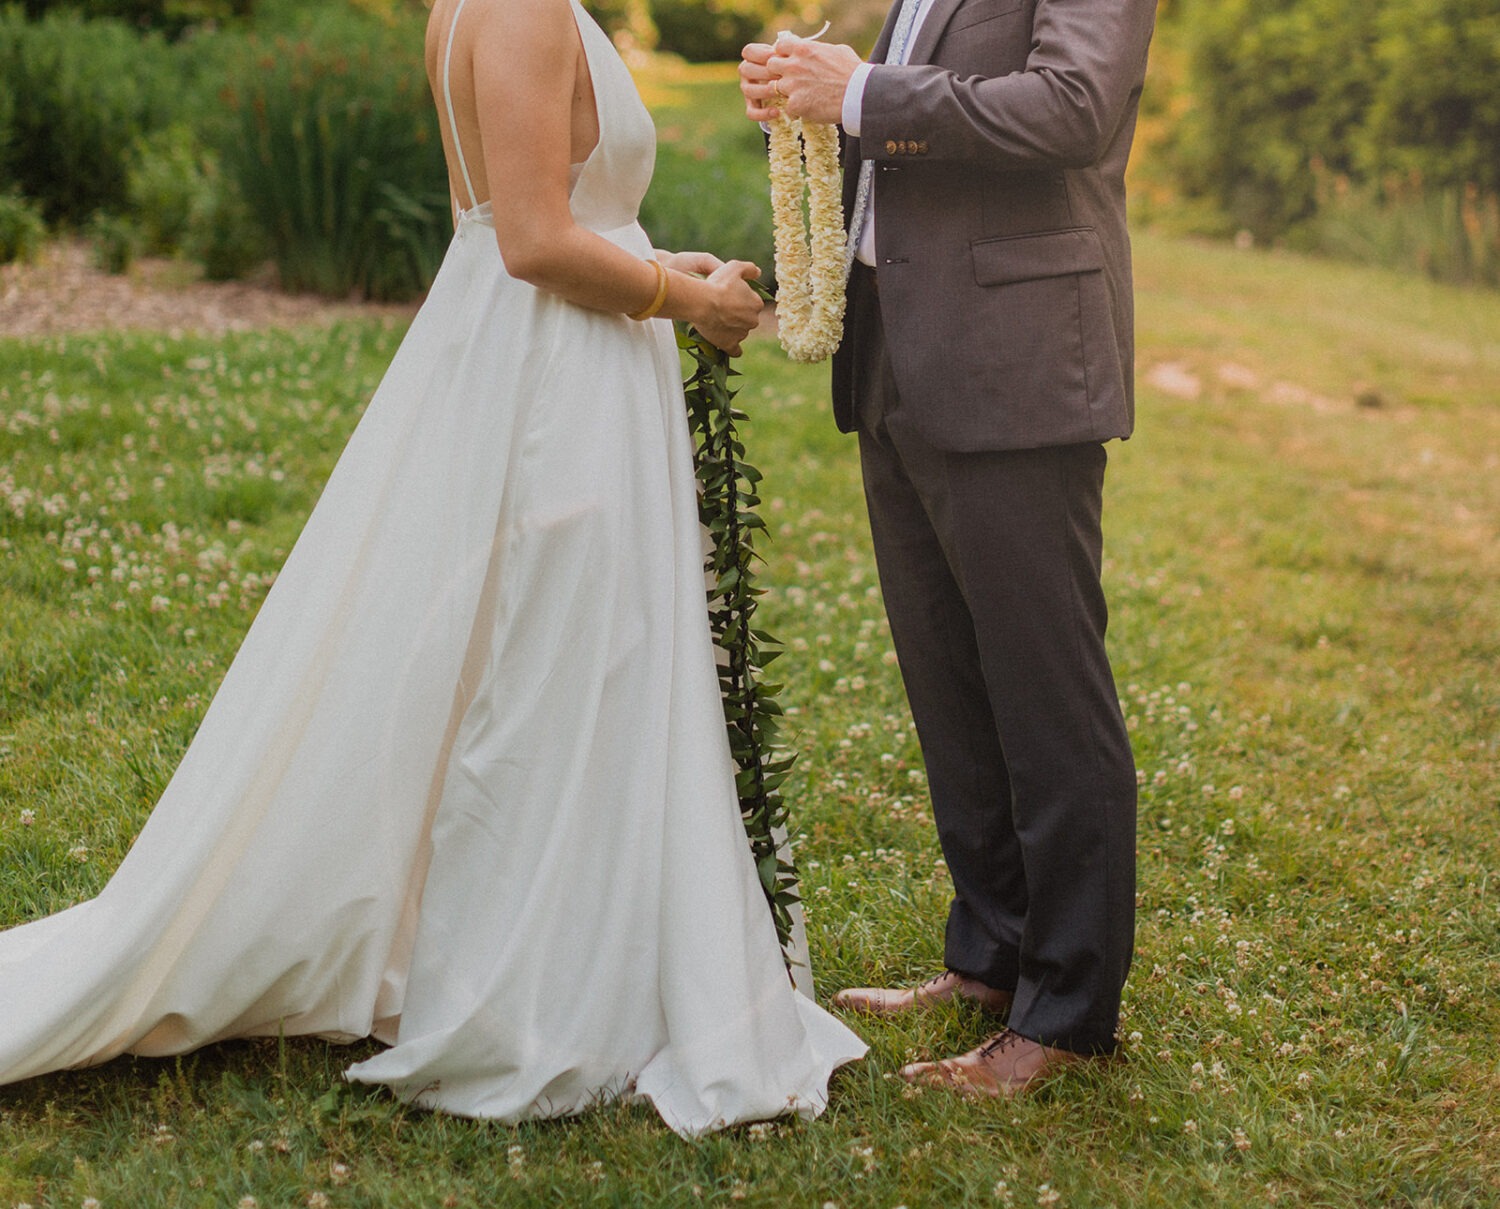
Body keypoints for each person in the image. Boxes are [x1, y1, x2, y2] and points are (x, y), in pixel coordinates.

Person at [0, 0, 865, 1137]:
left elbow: (555, 209)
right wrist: (683, 297)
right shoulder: (515, 8)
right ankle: (537, 981)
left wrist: (656, 258)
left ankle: (537, 933)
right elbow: (533, 242)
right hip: (552, 375)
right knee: (563, 672)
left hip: (536, 351)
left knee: (557, 654)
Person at [740, 0, 1156, 1098]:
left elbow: (1070, 109)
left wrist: (861, 91)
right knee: (952, 685)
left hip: (1015, 361)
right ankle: (990, 958)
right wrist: (809, 97)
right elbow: (915, 130)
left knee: (1045, 694)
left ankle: (1066, 1014)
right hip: (900, 355)